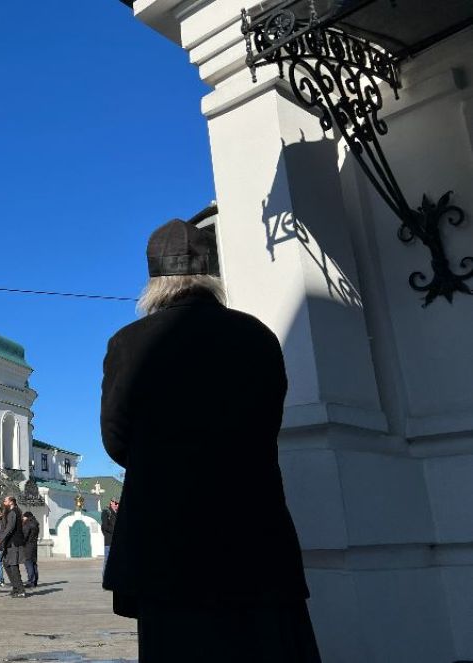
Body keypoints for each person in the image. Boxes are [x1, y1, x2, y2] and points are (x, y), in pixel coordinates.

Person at [101, 219, 321, 662]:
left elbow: (116, 439)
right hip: (254, 532)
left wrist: (162, 461)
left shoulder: (129, 342)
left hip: (167, 542)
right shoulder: (256, 336)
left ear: (154, 282)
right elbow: (268, 422)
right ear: (211, 276)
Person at [0, 495, 26, 597]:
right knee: (6, 564)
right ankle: (15, 587)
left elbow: (9, 528)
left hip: (14, 543)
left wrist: (0, 540)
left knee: (13, 566)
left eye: (5, 501)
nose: (4, 502)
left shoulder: (13, 512)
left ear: (11, 502)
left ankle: (21, 590)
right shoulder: (12, 512)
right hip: (10, 543)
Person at [22, 511, 40, 588]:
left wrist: (21, 542)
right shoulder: (36, 524)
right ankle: (35, 581)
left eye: (23, 517)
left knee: (28, 563)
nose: (23, 518)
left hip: (27, 546)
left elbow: (25, 535)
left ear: (27, 517)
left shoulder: (27, 524)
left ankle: (31, 582)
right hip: (34, 546)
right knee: (34, 564)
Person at [101, 499, 118, 572]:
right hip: (109, 543)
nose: (117, 505)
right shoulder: (106, 512)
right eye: (115, 503)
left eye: (118, 503)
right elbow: (104, 526)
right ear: (111, 502)